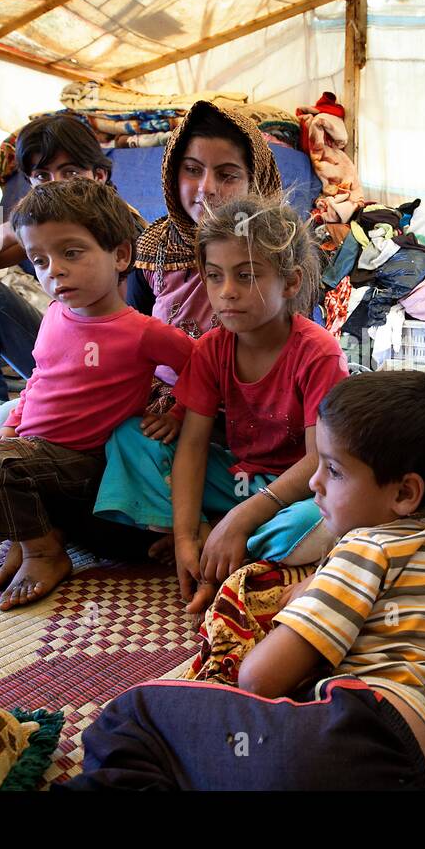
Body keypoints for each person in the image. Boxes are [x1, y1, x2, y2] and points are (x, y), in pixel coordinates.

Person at [61, 370, 425, 790]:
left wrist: (305, 601)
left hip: (359, 735)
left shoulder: (364, 548)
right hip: (423, 765)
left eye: (334, 470)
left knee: (132, 715)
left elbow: (260, 677)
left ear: (404, 494)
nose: (314, 482)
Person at [0, 179, 194, 611]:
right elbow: (38, 381)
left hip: (82, 464)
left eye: (71, 253)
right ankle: (26, 530)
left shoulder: (142, 332)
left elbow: (200, 365)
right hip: (27, 454)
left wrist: (178, 409)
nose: (53, 271)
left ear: (120, 255)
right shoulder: (55, 315)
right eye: (39, 260)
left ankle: (44, 551)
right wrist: (6, 429)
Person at [95, 194, 347, 614]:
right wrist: (183, 540)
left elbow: (317, 462)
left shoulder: (318, 352)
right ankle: (210, 538)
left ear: (290, 282)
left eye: (246, 276)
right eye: (214, 276)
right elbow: (192, 447)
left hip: (295, 489)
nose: (226, 292)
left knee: (321, 520)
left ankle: (226, 540)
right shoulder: (212, 348)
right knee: (128, 438)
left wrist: (241, 519)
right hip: (235, 477)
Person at [0, 115, 125, 451]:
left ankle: (13, 423)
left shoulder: (122, 228)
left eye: (70, 173)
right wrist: (15, 228)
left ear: (99, 175)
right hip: (57, 353)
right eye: (42, 177)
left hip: (107, 365)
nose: (55, 186)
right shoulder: (40, 228)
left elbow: (125, 328)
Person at [124, 101, 285, 446]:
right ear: (172, 172)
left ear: (255, 182)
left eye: (227, 175)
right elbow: (132, 338)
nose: (206, 187)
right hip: (159, 404)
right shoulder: (153, 249)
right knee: (124, 439)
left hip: (242, 408)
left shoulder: (276, 253)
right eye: (193, 169)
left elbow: (282, 353)